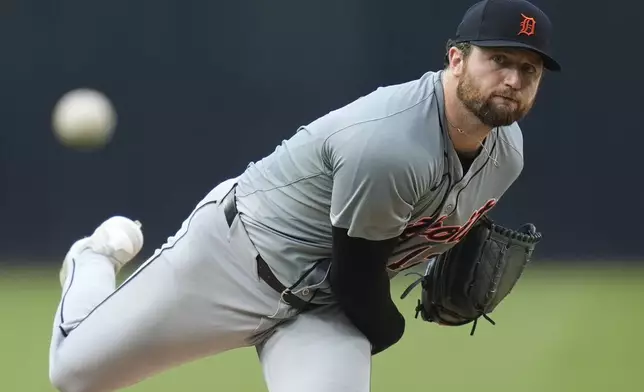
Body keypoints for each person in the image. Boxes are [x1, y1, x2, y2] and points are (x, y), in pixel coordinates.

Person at [47, 0, 560, 391]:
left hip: (325, 303)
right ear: (456, 59)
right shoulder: (390, 143)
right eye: (498, 60)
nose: (512, 79)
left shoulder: (507, 153)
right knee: (75, 375)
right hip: (233, 264)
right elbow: (358, 280)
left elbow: (401, 247)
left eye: (529, 69)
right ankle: (92, 258)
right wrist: (390, 330)